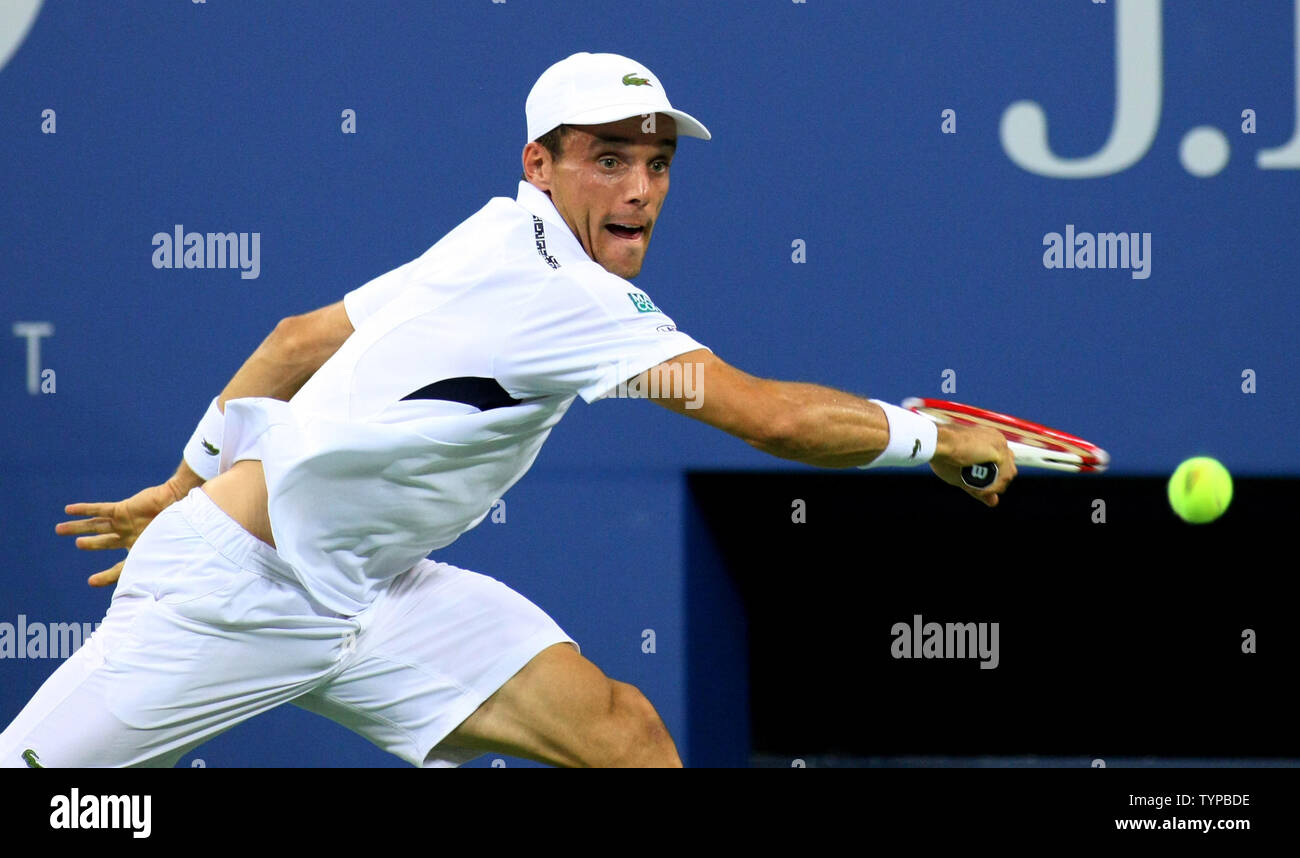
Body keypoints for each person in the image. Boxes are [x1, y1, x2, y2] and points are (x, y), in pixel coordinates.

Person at [0, 52, 1014, 769]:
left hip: (371, 593)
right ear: (541, 163)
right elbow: (769, 420)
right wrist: (930, 438)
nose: (640, 190)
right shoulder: (567, 296)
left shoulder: (497, 236)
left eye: (657, 164)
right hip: (237, 594)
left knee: (625, 738)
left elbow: (294, 340)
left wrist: (184, 485)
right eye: (607, 159)